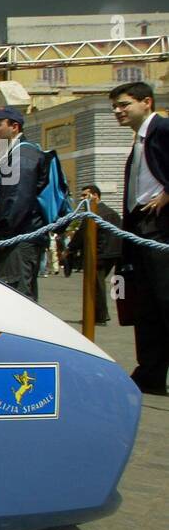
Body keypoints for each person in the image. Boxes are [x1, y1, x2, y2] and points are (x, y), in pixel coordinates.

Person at [111, 81, 169, 395]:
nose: (118, 112)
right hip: (139, 230)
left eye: (124, 105)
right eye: (115, 107)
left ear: (146, 102)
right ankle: (150, 374)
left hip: (161, 228)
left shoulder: (162, 129)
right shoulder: (139, 141)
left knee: (165, 301)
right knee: (146, 305)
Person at [0, 106, 46, 300]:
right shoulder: (16, 153)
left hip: (18, 239)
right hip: (20, 237)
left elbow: (17, 200)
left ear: (14, 127)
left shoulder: (22, 155)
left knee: (16, 297)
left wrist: (2, 237)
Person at [67, 185, 123, 324]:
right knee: (98, 284)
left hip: (98, 254)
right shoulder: (112, 213)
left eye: (85, 195)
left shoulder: (93, 214)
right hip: (113, 253)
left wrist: (69, 249)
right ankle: (98, 315)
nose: (82, 198)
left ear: (95, 196)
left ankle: (100, 316)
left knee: (95, 285)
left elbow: (81, 235)